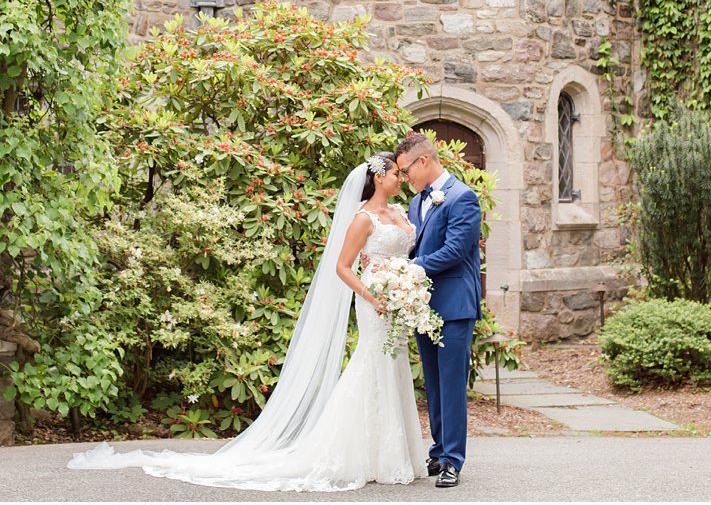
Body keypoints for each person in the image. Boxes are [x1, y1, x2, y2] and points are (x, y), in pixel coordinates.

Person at [67, 152, 429, 492]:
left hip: (396, 300)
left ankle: (397, 455)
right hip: (373, 302)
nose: (402, 177)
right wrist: (372, 294)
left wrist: (405, 285)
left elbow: (408, 251)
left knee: (394, 366)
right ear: (379, 177)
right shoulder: (362, 219)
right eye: (397, 173)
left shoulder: (399, 211)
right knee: (372, 365)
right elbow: (342, 267)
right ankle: (360, 454)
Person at [396, 131, 482, 489]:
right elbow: (417, 246)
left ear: (424, 161)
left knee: (451, 385)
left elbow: (455, 251)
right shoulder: (418, 202)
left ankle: (453, 460)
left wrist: (410, 269)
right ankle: (439, 448)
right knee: (432, 384)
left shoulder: (463, 198)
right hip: (424, 305)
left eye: (405, 170)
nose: (404, 178)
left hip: (455, 305)